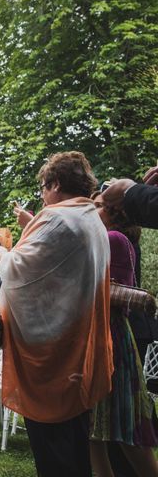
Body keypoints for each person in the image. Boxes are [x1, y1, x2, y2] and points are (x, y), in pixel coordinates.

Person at [0, 151, 112, 477]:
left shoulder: (58, 218)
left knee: (54, 456)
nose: (43, 196)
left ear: (56, 183)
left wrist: (1, 251)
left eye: (44, 187)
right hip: (79, 356)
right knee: (75, 451)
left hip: (51, 361)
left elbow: (17, 271)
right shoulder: (92, 220)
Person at [89, 191, 158, 477]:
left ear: (112, 211)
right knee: (93, 431)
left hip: (111, 338)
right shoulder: (108, 237)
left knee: (124, 425)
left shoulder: (112, 238)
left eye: (96, 208)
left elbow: (107, 291)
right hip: (99, 335)